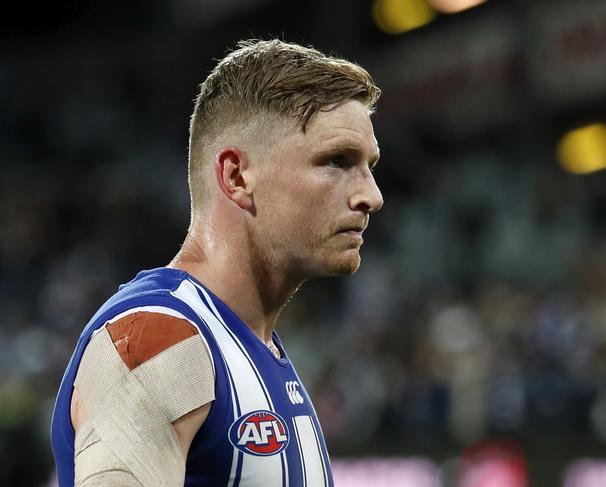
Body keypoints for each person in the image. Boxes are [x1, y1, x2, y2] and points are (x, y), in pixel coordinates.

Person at [50, 38, 383, 487]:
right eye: (336, 161)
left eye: (369, 166)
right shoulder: (157, 338)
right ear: (236, 176)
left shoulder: (257, 349)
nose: (371, 196)